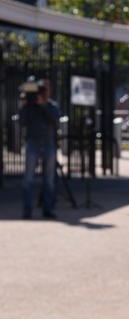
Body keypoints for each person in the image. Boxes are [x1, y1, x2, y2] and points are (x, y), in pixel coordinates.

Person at [19, 78, 61, 219]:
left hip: (48, 143)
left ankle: (47, 209)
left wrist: (43, 106)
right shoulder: (29, 106)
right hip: (33, 142)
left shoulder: (52, 106)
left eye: (47, 89)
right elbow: (22, 122)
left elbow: (56, 123)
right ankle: (27, 210)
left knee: (49, 179)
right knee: (28, 178)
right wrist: (24, 106)